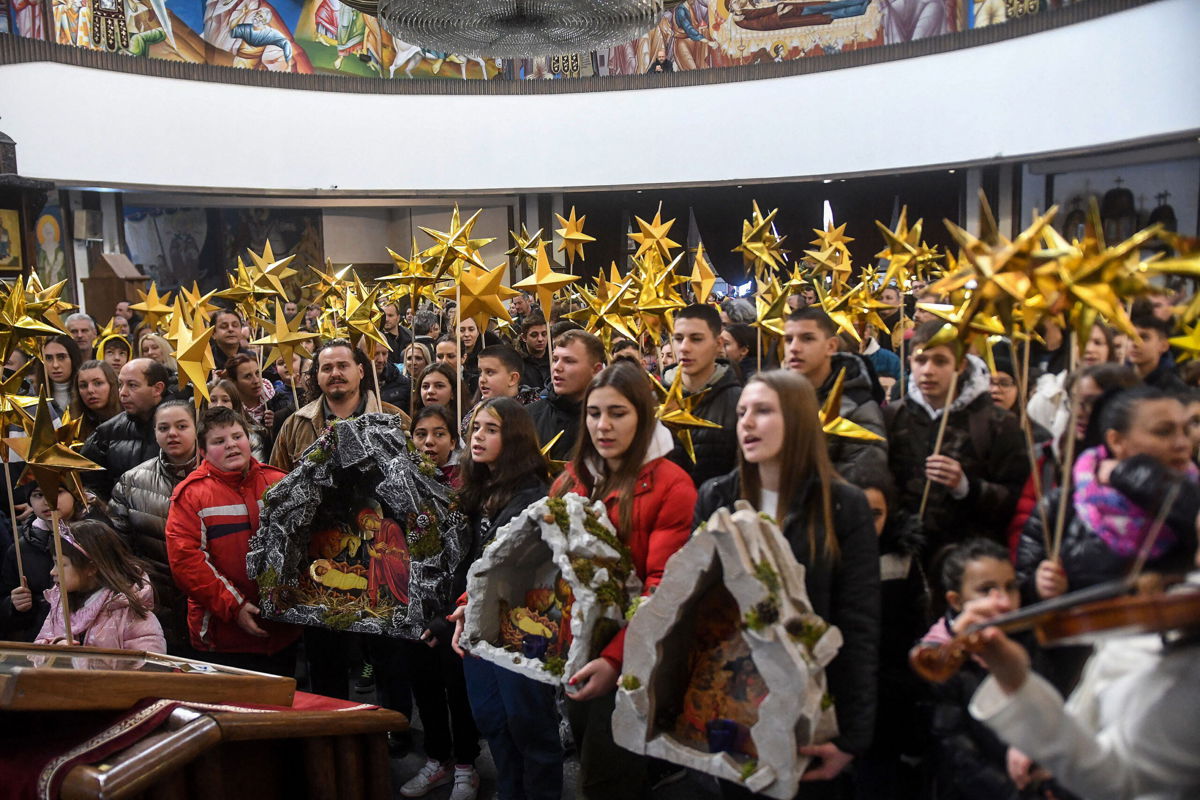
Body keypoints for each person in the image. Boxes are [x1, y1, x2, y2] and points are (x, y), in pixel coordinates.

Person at [695, 370, 880, 795]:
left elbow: (860, 624)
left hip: (810, 710)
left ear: (797, 420)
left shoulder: (844, 505)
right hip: (733, 705)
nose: (746, 422)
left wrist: (851, 738)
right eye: (742, 412)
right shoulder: (715, 498)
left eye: (763, 411)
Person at [552, 361, 697, 798]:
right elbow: (531, 553)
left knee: (605, 779)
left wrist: (616, 660)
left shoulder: (673, 486)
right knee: (589, 759)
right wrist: (472, 602)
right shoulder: (572, 478)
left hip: (637, 656)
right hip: (575, 646)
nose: (603, 425)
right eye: (594, 413)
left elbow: (663, 589)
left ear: (643, 415)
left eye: (618, 413)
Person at [967, 552, 1200, 800]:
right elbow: (1104, 675)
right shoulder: (1180, 601)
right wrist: (1055, 730)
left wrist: (1017, 686)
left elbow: (1120, 784)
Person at [449, 399, 561, 800]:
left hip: (519, 627)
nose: (477, 436)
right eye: (476, 428)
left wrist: (469, 603)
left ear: (513, 439)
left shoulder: (534, 497)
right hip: (477, 624)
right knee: (492, 719)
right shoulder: (477, 490)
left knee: (528, 724)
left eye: (491, 430)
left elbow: (514, 569)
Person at [1018, 386, 1198, 605]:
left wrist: (1129, 474)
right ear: (1116, 441)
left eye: (1186, 431)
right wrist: (1039, 588)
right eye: (1163, 431)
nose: (1182, 443)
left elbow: (1189, 508)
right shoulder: (1061, 505)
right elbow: (1018, 591)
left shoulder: (1191, 497)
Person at [165, 406, 299, 674]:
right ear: (202, 451)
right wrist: (234, 606)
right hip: (223, 635)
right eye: (219, 441)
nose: (231, 445)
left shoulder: (280, 482)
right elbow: (187, 563)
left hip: (284, 631)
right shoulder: (191, 495)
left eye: (237, 436)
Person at [885, 321, 1029, 557]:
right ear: (910, 361)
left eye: (940, 361)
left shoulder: (997, 423)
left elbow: (1016, 498)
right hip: (905, 553)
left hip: (970, 556)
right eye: (921, 360)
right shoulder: (893, 416)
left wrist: (966, 487)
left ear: (960, 365)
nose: (928, 370)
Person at [919, 538, 1049, 800]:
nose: (1002, 600)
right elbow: (954, 750)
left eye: (1010, 587)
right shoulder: (936, 656)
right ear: (955, 601)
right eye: (986, 589)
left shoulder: (1025, 638)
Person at [855, 469, 929, 799]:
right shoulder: (830, 555)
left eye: (876, 514)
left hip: (891, 688)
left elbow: (918, 623)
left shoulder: (903, 560)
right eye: (859, 512)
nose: (868, 524)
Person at [108, 400, 200, 655]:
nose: (172, 433)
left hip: (209, 601)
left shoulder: (218, 473)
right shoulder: (132, 481)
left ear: (196, 428)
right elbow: (119, 546)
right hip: (157, 601)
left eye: (182, 426)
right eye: (164, 427)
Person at [270, 338, 407, 473]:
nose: (335, 373)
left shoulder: (393, 418)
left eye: (343, 366)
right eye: (327, 368)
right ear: (317, 376)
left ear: (360, 371)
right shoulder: (295, 425)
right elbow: (276, 481)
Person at [784, 308, 887, 485]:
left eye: (807, 338)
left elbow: (863, 477)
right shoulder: (775, 396)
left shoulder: (858, 406)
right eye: (788, 340)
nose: (794, 348)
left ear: (831, 346)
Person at [34, 519, 165, 652]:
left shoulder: (128, 610)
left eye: (61, 564)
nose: (53, 572)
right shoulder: (59, 604)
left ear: (91, 568)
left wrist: (81, 661)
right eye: (54, 563)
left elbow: (150, 666)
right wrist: (56, 648)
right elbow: (36, 652)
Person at [1, 484, 101, 642]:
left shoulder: (99, 537)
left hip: (95, 639)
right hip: (42, 642)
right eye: (38, 495)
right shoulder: (20, 549)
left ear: (75, 494)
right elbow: (5, 603)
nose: (47, 501)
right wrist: (14, 606)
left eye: (57, 492)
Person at [664, 304, 743, 487]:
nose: (684, 347)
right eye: (678, 338)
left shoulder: (740, 402)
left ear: (718, 344)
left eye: (696, 339)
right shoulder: (652, 399)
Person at [82, 358, 170, 501]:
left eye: (132, 385)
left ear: (157, 389)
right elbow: (91, 485)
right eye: (120, 385)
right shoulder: (107, 433)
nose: (122, 393)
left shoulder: (183, 428)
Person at [528, 330, 606, 462]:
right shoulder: (529, 416)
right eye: (555, 359)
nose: (557, 367)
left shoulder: (607, 420)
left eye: (569, 361)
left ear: (596, 370)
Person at [222, 353, 292, 445]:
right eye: (248, 376)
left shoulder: (277, 399)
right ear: (234, 382)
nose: (256, 380)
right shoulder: (230, 408)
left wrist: (277, 422)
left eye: (257, 373)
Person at [209, 379, 270, 462]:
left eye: (225, 400)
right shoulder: (199, 435)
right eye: (213, 400)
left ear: (235, 404)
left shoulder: (252, 437)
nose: (218, 405)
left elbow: (258, 470)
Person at [1129, 313, 1187, 393]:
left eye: (1144, 337)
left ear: (1164, 346)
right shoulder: (1117, 380)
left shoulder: (1175, 390)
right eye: (1131, 337)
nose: (1134, 343)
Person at [72, 359, 121, 441]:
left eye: (98, 383)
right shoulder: (73, 423)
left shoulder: (131, 419)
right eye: (83, 385)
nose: (90, 390)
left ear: (112, 385)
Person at [411, 404, 460, 483]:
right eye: (421, 434)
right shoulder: (402, 475)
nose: (429, 441)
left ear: (452, 443)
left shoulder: (465, 480)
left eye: (439, 434)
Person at [41, 334, 82, 414]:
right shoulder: (33, 395)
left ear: (73, 359)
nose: (55, 365)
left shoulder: (87, 392)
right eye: (49, 358)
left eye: (61, 357)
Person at [210, 308, 253, 374]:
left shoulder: (254, 359)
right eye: (224, 326)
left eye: (235, 325)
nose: (230, 329)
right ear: (213, 333)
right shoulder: (205, 362)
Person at [518, 311, 551, 390]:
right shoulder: (517, 363)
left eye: (544, 334)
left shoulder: (555, 358)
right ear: (524, 337)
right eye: (534, 335)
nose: (540, 339)